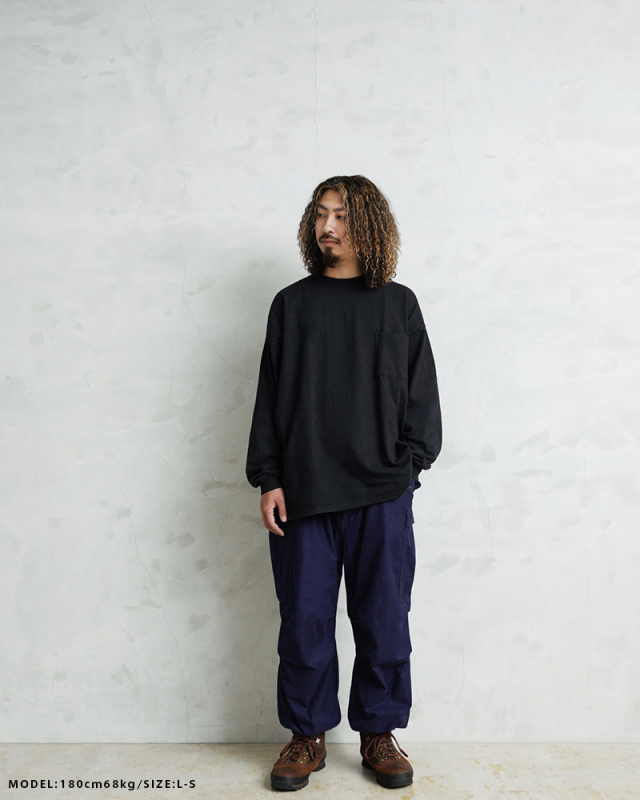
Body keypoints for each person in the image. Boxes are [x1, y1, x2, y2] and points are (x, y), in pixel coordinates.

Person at [245, 175, 442, 791]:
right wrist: (269, 478)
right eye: (320, 215)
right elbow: (269, 398)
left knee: (384, 621)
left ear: (369, 224)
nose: (327, 227)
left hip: (382, 494)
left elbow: (422, 396)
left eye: (341, 216)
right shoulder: (292, 304)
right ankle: (307, 736)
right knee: (304, 624)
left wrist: (408, 469)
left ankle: (379, 733)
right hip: (303, 493)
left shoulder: (398, 304)